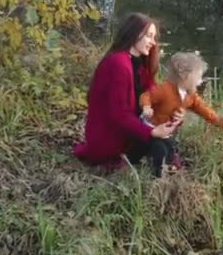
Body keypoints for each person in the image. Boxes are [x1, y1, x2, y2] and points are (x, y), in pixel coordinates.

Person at [73, 12, 183, 171]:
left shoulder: (139, 63)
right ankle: (165, 173)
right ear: (134, 33)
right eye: (149, 36)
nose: (153, 42)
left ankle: (169, 165)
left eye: (154, 37)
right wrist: (151, 132)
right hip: (109, 139)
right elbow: (119, 114)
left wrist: (174, 114)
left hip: (124, 132)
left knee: (163, 139)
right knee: (159, 144)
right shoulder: (118, 63)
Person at [139, 52, 223, 176]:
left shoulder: (191, 96)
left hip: (166, 132)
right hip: (151, 129)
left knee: (170, 149)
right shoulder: (164, 89)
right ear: (184, 75)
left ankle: (170, 167)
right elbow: (146, 95)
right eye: (198, 77)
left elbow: (206, 111)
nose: (200, 82)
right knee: (160, 150)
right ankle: (157, 176)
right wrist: (146, 107)